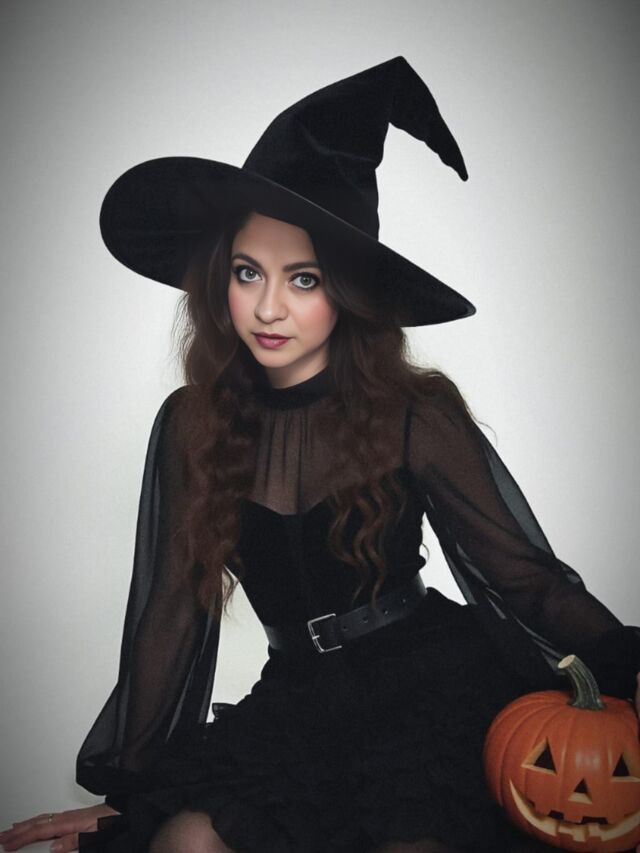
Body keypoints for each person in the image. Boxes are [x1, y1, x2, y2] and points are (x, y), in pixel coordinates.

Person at [2, 56, 639, 853]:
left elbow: (527, 580)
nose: (268, 307)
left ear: (346, 289)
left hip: (426, 688)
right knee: (184, 843)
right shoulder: (190, 425)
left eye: (302, 279)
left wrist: (627, 669)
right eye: (248, 272)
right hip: (297, 702)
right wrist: (132, 794)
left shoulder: (416, 411)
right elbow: (170, 611)